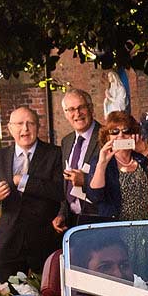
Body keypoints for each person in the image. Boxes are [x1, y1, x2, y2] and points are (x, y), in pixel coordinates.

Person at [0, 105, 65, 278]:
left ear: (38, 126)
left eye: (30, 123)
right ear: (10, 128)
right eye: (19, 124)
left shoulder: (55, 154)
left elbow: (61, 191)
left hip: (44, 242)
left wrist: (24, 182)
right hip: (7, 244)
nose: (25, 129)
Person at [88, 111, 148, 222]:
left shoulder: (142, 159)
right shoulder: (100, 161)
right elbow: (95, 197)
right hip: (116, 228)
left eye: (126, 131)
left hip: (147, 224)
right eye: (114, 132)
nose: (120, 135)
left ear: (133, 134)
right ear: (107, 137)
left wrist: (144, 151)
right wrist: (102, 164)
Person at [54, 88, 102, 232]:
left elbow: (118, 181)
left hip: (99, 219)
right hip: (73, 222)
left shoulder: (106, 137)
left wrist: (86, 180)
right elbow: (66, 184)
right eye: (71, 109)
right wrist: (62, 213)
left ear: (91, 108)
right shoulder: (66, 142)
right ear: (65, 114)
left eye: (82, 107)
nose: (77, 113)